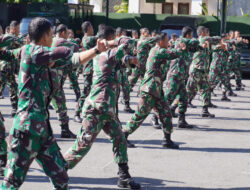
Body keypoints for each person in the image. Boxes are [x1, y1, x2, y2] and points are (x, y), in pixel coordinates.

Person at [0, 17, 108, 189]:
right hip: (26, 129)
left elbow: (75, 59)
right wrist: (91, 49)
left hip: (42, 130)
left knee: (61, 177)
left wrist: (95, 50)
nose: (53, 39)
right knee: (11, 182)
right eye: (51, 35)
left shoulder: (34, 54)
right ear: (44, 36)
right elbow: (69, 55)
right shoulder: (34, 52)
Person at [64, 25, 141, 190]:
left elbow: (122, 59)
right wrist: (116, 41)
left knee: (119, 138)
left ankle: (123, 176)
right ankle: (58, 169)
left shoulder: (108, 56)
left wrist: (131, 60)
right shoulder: (105, 55)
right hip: (96, 109)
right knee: (83, 145)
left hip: (107, 110)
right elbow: (128, 43)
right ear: (110, 39)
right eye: (114, 37)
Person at [124, 32, 185, 149]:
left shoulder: (158, 50)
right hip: (149, 89)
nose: (168, 43)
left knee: (166, 113)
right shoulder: (158, 50)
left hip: (156, 90)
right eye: (167, 41)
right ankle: (123, 135)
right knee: (140, 114)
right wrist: (181, 50)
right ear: (161, 42)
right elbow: (172, 54)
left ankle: (167, 140)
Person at [50, 24, 79, 138]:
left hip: (48, 78)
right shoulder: (60, 41)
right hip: (54, 79)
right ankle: (64, 130)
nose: (68, 35)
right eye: (67, 33)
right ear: (62, 33)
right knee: (61, 104)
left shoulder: (51, 40)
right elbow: (76, 47)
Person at [186, 26, 220, 118]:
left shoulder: (204, 42)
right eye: (206, 32)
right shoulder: (202, 39)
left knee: (206, 89)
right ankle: (173, 108)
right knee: (189, 90)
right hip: (196, 69)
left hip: (203, 70)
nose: (207, 33)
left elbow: (212, 49)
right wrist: (220, 39)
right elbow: (216, 39)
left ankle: (205, 110)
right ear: (202, 33)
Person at [74, 21, 98, 123]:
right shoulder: (88, 39)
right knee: (85, 92)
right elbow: (99, 38)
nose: (93, 29)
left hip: (91, 69)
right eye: (92, 27)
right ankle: (76, 113)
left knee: (93, 92)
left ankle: (89, 112)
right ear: (88, 28)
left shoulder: (86, 39)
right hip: (89, 70)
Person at [0, 21, 24, 117]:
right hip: (4, 68)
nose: (19, 30)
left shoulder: (5, 37)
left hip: (9, 68)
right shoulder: (10, 38)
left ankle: (15, 108)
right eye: (18, 28)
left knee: (13, 87)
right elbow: (21, 43)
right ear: (13, 28)